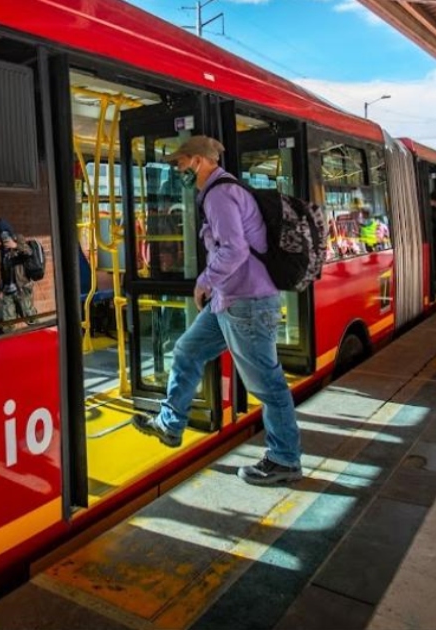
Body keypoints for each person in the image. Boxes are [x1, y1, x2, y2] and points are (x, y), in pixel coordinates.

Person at [130, 135, 301, 485]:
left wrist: (204, 280)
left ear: (199, 161)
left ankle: (285, 460)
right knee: (187, 351)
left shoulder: (220, 194)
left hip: (247, 304)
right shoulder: (221, 191)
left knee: (268, 386)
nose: (177, 170)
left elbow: (235, 249)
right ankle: (171, 423)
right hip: (231, 301)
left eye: (180, 163)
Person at [0, 218, 38, 333]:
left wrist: (15, 245)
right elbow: (2, 272)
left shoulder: (19, 240)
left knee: (31, 320)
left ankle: (39, 339)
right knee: (8, 327)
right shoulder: (0, 250)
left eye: (6, 234)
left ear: (10, 233)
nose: (4, 238)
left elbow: (29, 252)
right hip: (7, 292)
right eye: (1, 236)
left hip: (22, 289)